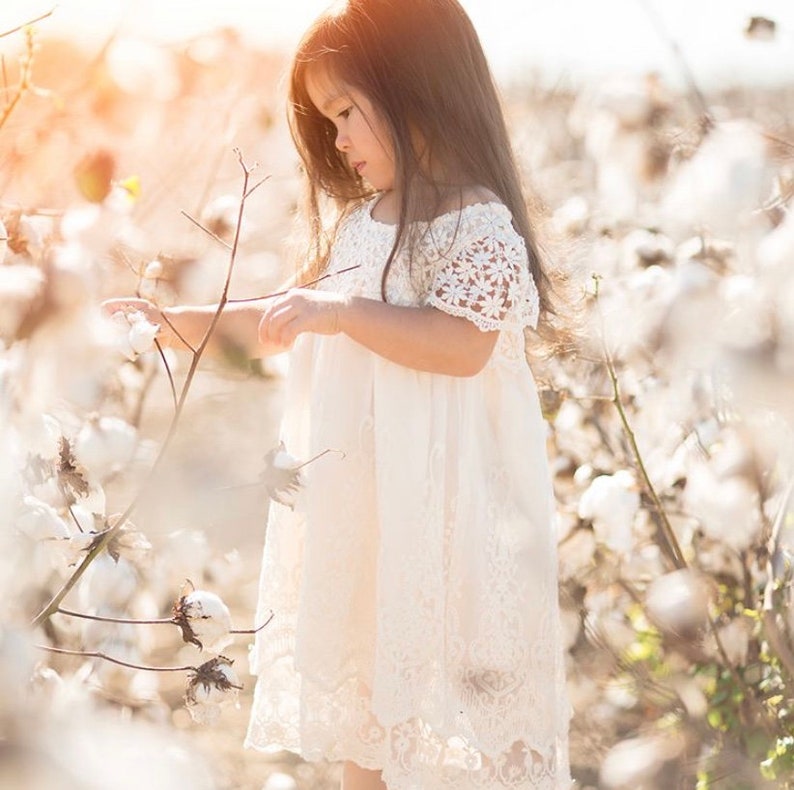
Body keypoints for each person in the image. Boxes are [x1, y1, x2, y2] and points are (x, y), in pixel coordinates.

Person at [106, 1, 571, 787]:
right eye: (329, 122)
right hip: (371, 522)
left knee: (474, 726)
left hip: (458, 525)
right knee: (369, 721)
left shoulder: (478, 223)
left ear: (417, 88)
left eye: (347, 112)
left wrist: (343, 312)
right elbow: (280, 318)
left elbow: (461, 346)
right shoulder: (361, 226)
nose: (339, 140)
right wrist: (169, 322)